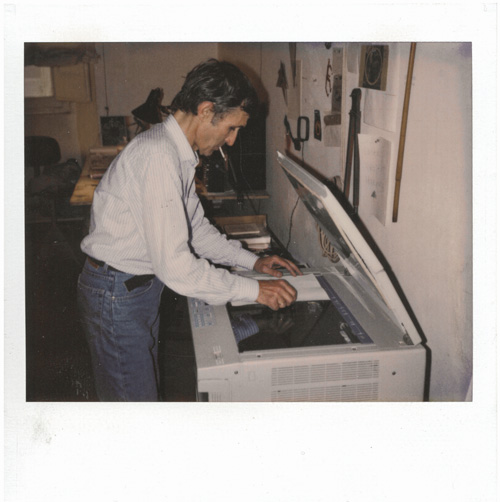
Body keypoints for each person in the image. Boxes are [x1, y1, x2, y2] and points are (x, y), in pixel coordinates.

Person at [77, 59, 302, 402]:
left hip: (133, 288)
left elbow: (195, 230)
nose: (231, 140)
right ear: (206, 109)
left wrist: (252, 262)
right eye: (231, 128)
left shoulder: (176, 154)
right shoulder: (158, 156)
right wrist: (253, 291)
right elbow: (176, 266)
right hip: (117, 293)